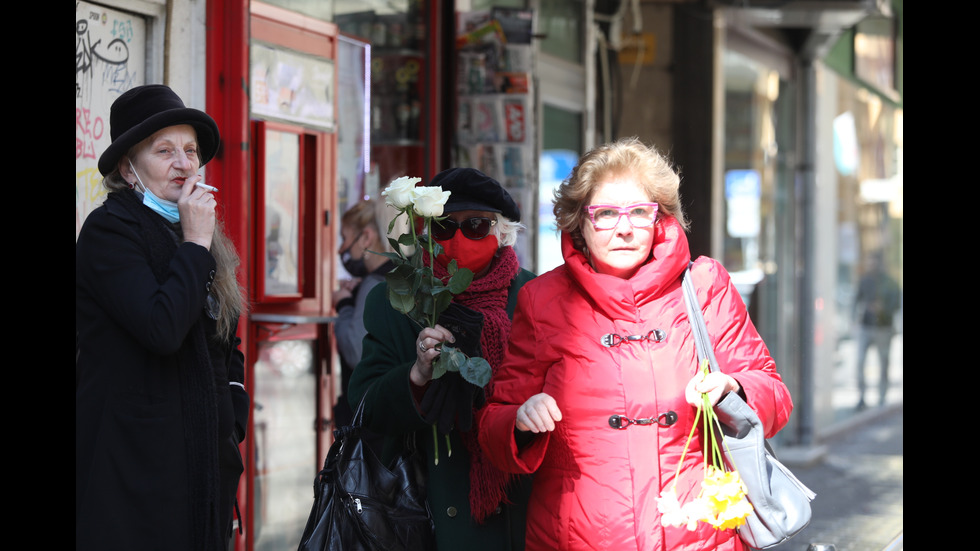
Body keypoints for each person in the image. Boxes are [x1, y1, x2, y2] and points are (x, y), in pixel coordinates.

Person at [477, 137, 793, 550]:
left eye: (639, 212)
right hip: (575, 538)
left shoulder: (704, 285)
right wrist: (521, 418)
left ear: (659, 219)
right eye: (605, 213)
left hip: (698, 534)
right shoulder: (541, 300)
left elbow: (774, 394)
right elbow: (493, 424)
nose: (624, 228)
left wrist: (735, 389)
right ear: (579, 222)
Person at [76, 84, 249, 551]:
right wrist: (194, 244)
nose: (184, 163)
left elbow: (225, 335)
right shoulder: (109, 231)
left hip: (203, 463)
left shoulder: (193, 229)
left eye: (191, 150)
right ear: (128, 169)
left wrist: (232, 419)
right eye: (164, 150)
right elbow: (162, 328)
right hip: (135, 471)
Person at [348, 168, 536, 551]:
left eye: (477, 226)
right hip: (424, 515)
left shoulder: (535, 296)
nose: (460, 239)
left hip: (517, 505)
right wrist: (416, 376)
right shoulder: (393, 300)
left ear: (501, 232)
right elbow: (364, 404)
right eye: (446, 227)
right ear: (426, 233)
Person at [331, 199, 393, 456]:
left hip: (367, 424)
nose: (342, 249)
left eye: (345, 238)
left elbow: (356, 350)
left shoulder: (372, 284)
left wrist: (344, 305)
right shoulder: (395, 276)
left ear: (366, 237)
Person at [853, 251, 901, 409]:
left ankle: (882, 396)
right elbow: (856, 300)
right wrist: (856, 318)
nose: (872, 265)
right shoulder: (865, 280)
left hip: (883, 328)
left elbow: (897, 304)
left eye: (875, 261)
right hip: (866, 326)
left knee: (883, 363)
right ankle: (861, 396)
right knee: (860, 362)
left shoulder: (890, 282)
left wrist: (883, 309)